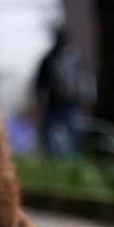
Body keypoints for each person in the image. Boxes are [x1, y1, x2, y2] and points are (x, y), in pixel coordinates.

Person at [34, 29, 89, 157]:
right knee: (72, 130)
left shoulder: (50, 58)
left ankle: (53, 155)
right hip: (70, 101)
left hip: (54, 101)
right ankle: (76, 155)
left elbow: (41, 82)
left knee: (46, 130)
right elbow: (83, 80)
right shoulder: (74, 58)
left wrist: (40, 99)